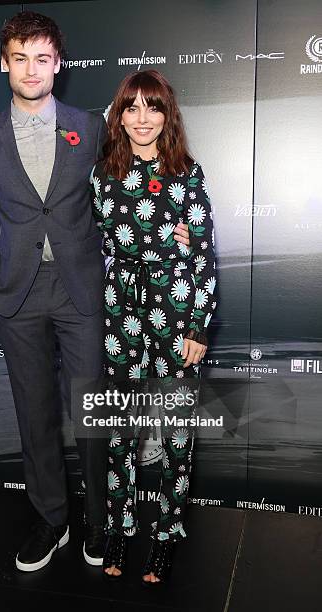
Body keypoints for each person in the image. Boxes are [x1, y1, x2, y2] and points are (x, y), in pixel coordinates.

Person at [0, 11, 191, 573]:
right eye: (21, 57)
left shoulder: (90, 128)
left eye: (43, 58)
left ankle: (101, 521)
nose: (32, 68)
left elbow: (133, 180)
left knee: (94, 413)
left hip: (84, 292)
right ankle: (51, 519)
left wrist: (178, 219)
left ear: (57, 65)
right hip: (15, 295)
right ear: (5, 63)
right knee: (33, 412)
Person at [90, 69, 217, 585]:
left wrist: (200, 328)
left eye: (154, 107)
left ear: (168, 115)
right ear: (119, 115)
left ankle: (166, 533)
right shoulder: (103, 174)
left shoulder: (187, 173)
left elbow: (205, 253)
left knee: (175, 429)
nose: (143, 119)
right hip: (121, 310)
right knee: (120, 424)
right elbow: (95, 244)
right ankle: (120, 528)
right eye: (132, 107)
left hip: (176, 307)